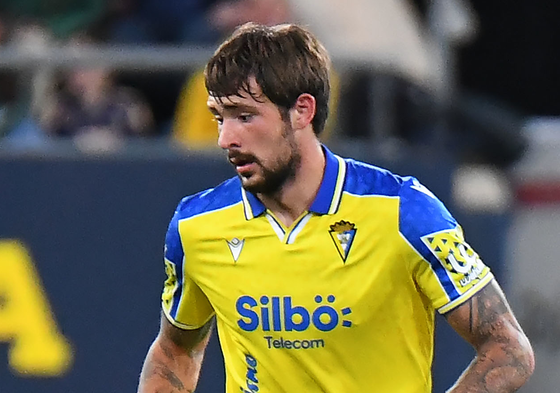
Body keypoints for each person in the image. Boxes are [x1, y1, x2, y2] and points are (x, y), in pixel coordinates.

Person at [137, 23, 534, 392]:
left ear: (302, 111)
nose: (226, 139)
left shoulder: (403, 213)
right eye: (219, 118)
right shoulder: (197, 226)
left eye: (244, 116)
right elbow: (175, 350)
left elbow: (508, 349)